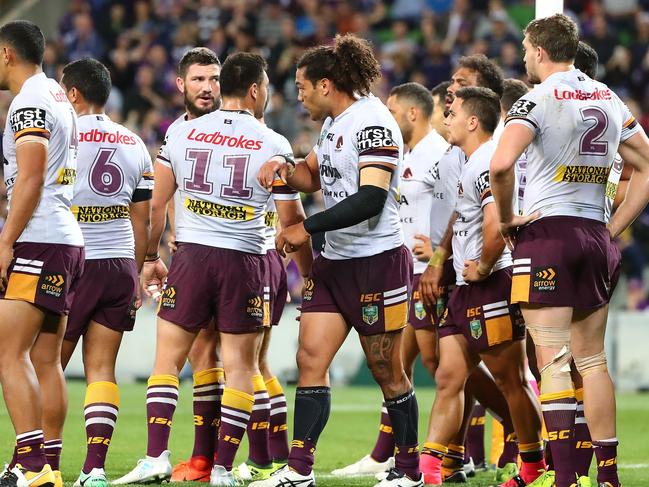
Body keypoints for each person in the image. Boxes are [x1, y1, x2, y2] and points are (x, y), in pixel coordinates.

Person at [113, 52, 312, 487]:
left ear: (225, 86)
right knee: (245, 366)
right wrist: (310, 273)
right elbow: (292, 221)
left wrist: (149, 258)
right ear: (257, 90)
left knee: (166, 361)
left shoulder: (182, 134)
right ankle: (223, 466)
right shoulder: (273, 142)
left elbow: (157, 204)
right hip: (246, 260)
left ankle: (155, 456)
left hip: (192, 255)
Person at [253, 33, 422, 487]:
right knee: (310, 358)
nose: (299, 96)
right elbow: (311, 175)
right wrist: (283, 167)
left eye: (303, 87)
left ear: (326, 85)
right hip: (335, 264)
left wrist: (303, 228)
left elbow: (370, 198)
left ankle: (408, 472)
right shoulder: (333, 125)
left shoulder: (373, 123)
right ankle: (299, 470)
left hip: (376, 262)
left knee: (387, 369)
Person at [490, 13, 649, 487]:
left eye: (525, 51)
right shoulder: (607, 96)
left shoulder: (536, 98)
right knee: (593, 360)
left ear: (539, 52)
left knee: (554, 360)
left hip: (548, 235)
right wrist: (614, 228)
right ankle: (608, 475)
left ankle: (564, 480)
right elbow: (645, 166)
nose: (523, 58)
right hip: (594, 236)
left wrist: (505, 219)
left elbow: (501, 166)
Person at [424, 86, 546, 487]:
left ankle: (534, 470)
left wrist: (486, 265)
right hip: (464, 287)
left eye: (453, 112)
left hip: (490, 284)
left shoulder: (486, 164)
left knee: (511, 379)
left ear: (473, 121)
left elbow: (497, 223)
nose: (447, 117)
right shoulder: (470, 162)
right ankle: (429, 471)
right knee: (447, 378)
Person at [331, 82, 449, 477]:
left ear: (413, 113)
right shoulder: (406, 152)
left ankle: (506, 443)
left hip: (433, 274)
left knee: (442, 367)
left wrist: (437, 254)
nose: (387, 116)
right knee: (405, 364)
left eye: (394, 110)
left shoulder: (438, 155)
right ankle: (390, 454)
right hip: (408, 274)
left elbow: (457, 206)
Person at [44, 57, 152, 487]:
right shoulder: (134, 142)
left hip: (73, 262)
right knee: (101, 369)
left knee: (47, 365)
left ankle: (41, 463)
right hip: (121, 263)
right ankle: (93, 470)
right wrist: (139, 268)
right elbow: (142, 221)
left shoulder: (61, 134)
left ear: (73, 93)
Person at [0, 20, 84, 487]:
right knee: (45, 359)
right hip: (65, 238)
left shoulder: (27, 103)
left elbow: (30, 178)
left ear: (8, 54)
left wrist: (5, 240)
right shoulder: (55, 95)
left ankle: (29, 464)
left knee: (8, 354)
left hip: (39, 237)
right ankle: (45, 463)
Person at [161, 47, 227, 485]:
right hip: (193, 256)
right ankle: (205, 461)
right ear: (181, 84)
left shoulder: (236, 127)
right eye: (199, 79)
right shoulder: (174, 132)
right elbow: (169, 192)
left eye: (215, 79)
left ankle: (266, 455)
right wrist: (171, 234)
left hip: (237, 256)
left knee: (246, 358)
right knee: (205, 352)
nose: (208, 88)